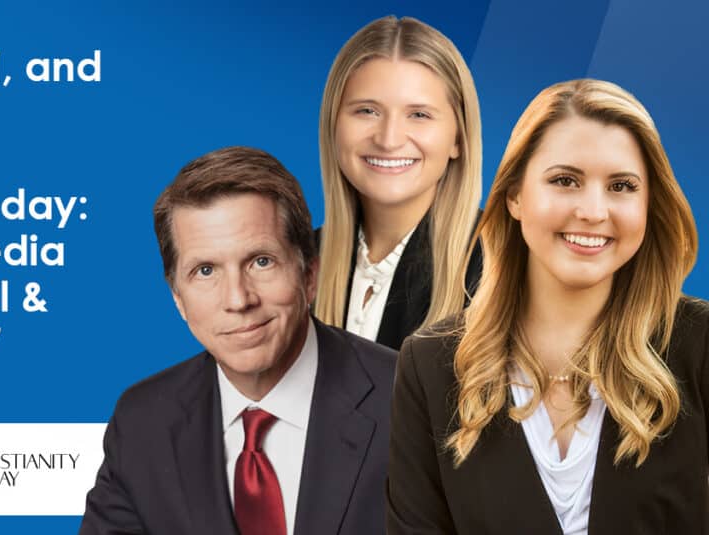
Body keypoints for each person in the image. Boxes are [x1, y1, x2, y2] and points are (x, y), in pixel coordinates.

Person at [386, 79, 705, 534]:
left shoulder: (700, 344)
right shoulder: (429, 366)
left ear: (649, 202)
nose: (594, 211)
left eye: (621, 186)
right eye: (565, 180)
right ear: (514, 194)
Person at [80, 146, 396, 535]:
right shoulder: (143, 423)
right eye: (205, 270)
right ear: (178, 298)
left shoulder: (409, 402)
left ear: (309, 274)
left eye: (261, 261)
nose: (238, 299)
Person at [315, 16, 483, 350]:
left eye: (419, 115)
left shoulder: (504, 269)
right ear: (333, 126)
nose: (389, 140)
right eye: (367, 111)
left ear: (458, 139)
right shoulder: (296, 263)